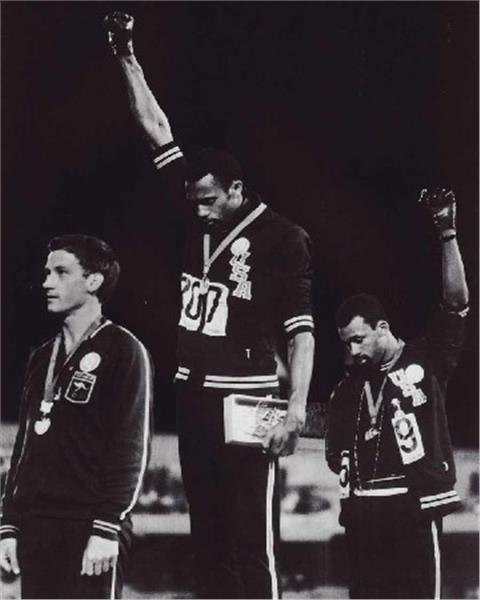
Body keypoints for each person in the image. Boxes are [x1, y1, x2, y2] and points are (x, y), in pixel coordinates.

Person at [104, 12, 315, 599]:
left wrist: (296, 407)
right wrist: (125, 55)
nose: (197, 211)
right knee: (208, 538)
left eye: (208, 201)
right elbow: (156, 129)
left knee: (253, 538)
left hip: (252, 396)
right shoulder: (192, 205)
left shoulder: (283, 238)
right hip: (194, 392)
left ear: (236, 190)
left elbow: (301, 331)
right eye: (193, 201)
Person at [326, 188, 469, 599]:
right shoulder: (348, 388)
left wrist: (447, 232)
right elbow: (334, 450)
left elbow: (456, 303)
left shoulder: (428, 358)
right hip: (365, 515)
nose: (352, 351)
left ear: (383, 328)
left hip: (414, 509)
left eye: (359, 339)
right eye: (346, 344)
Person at [0, 234, 153, 599]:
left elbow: (131, 447)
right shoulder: (42, 357)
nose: (47, 282)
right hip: (37, 526)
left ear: (93, 281)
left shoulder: (124, 350)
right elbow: (24, 446)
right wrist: (8, 524)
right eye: (46, 273)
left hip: (90, 526)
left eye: (61, 272)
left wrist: (108, 526)